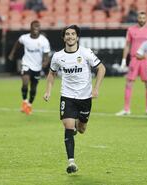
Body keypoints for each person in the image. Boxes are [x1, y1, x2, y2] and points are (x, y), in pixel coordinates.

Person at [43, 25, 106, 174]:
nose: (70, 36)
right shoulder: (58, 56)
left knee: (81, 129)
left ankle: (78, 126)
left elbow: (101, 68)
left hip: (85, 97)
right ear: (64, 37)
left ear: (77, 37)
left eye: (73, 34)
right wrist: (48, 91)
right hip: (67, 95)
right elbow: (52, 74)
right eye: (67, 34)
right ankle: (71, 162)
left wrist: (96, 88)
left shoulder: (85, 53)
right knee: (68, 126)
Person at [116, 11, 147, 116]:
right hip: (134, 59)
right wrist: (124, 60)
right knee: (129, 83)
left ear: (146, 19)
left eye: (144, 18)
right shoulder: (131, 29)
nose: (142, 20)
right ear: (137, 18)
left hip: (146, 60)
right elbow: (127, 45)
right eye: (140, 18)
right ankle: (126, 109)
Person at [8, 20, 50, 115]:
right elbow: (17, 44)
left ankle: (29, 105)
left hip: (37, 67)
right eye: (34, 26)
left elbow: (47, 54)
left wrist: (45, 62)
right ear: (31, 27)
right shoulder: (24, 38)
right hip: (26, 64)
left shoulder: (44, 40)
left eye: (38, 26)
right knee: (25, 82)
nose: (36, 28)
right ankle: (24, 102)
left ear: (39, 28)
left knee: (33, 88)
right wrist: (12, 53)